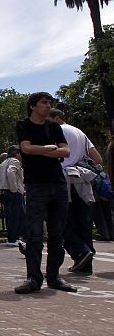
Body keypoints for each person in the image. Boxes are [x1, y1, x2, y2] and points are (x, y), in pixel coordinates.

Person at [14, 92, 76, 294]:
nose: (48, 106)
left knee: (57, 234)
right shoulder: (24, 125)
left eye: (50, 103)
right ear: (33, 106)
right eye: (44, 103)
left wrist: (41, 149)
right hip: (36, 185)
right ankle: (33, 278)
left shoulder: (55, 127)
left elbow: (66, 151)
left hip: (57, 183)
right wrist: (50, 149)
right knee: (34, 235)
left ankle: (54, 277)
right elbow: (26, 148)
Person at [48, 109, 103, 275]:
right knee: (83, 221)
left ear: (56, 118)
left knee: (58, 219)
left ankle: (79, 251)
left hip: (62, 178)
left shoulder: (56, 131)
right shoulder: (80, 132)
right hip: (81, 178)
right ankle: (85, 263)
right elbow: (98, 158)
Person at [0, 145, 25, 247]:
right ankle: (14, 238)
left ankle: (12, 238)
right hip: (12, 192)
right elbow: (11, 172)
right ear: (17, 153)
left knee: (10, 216)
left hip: (4, 191)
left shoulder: (3, 162)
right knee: (17, 215)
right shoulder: (14, 161)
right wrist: (14, 188)